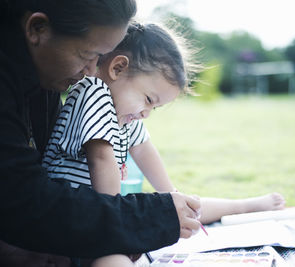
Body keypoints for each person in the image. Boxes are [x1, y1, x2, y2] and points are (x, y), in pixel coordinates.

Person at [42, 18, 285, 246]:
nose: (147, 112)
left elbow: (151, 161)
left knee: (180, 205)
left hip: (99, 215)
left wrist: (174, 198)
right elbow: (101, 160)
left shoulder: (125, 116)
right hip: (70, 219)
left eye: (154, 107)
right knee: (114, 259)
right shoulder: (94, 91)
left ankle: (244, 206)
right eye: (148, 99)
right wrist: (121, 225)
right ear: (118, 68)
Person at [0, 1, 201, 266]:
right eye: (88, 55)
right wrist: (124, 224)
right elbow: (22, 199)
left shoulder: (43, 82)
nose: (94, 71)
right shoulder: (93, 91)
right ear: (38, 29)